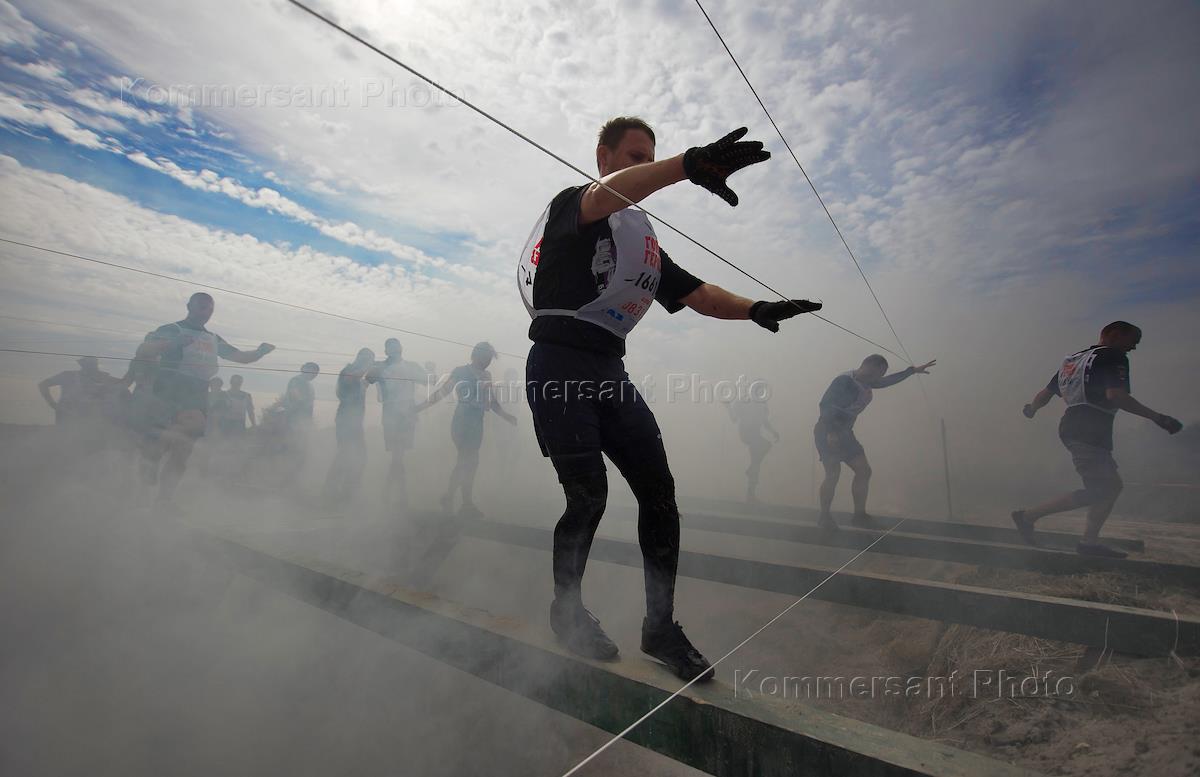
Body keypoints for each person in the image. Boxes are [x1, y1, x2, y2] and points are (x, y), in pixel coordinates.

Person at [517, 116, 821, 681]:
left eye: (649, 157)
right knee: (588, 497)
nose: (643, 165)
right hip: (558, 365)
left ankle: (660, 627)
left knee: (660, 495)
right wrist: (685, 165)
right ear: (603, 157)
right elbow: (609, 195)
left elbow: (698, 293)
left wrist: (756, 309)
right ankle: (567, 609)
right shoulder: (575, 204)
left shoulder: (642, 246)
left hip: (609, 370)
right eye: (635, 156)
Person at [1012, 321, 1182, 558]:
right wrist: (1158, 418)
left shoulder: (1074, 361)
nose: (1133, 347)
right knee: (1103, 488)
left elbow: (1045, 394)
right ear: (1115, 334)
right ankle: (1030, 517)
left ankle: (1087, 541)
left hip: (1076, 426)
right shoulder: (1114, 356)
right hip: (1088, 430)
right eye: (1133, 341)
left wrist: (1031, 409)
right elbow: (1116, 396)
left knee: (1109, 487)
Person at [134, 292, 274, 504]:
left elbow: (241, 357)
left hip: (198, 393)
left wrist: (260, 351)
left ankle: (163, 500)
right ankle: (145, 480)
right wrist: (170, 344)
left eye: (210, 309)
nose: (206, 312)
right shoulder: (173, 329)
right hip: (170, 390)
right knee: (166, 441)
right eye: (202, 307)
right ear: (189, 306)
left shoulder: (212, 338)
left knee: (183, 451)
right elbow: (143, 350)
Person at [814, 355, 935, 531]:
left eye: (881, 374)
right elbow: (826, 405)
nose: (879, 377)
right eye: (878, 372)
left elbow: (887, 381)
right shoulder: (844, 381)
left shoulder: (867, 381)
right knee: (833, 474)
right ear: (868, 366)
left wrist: (911, 371)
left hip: (846, 432)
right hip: (827, 429)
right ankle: (824, 517)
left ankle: (859, 516)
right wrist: (831, 433)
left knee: (864, 470)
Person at [416, 341, 516, 518]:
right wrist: (420, 407)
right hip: (462, 421)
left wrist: (505, 415)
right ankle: (464, 502)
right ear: (476, 355)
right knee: (467, 460)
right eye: (486, 357)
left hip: (477, 422)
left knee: (469, 462)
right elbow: (443, 392)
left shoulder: (486, 375)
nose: (488, 362)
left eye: (490, 359)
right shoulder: (461, 371)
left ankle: (453, 498)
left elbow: (491, 400)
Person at [367, 338, 427, 508]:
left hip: (407, 413)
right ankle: (398, 494)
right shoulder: (381, 367)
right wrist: (372, 367)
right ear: (386, 351)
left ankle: (391, 493)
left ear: (401, 348)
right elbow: (367, 379)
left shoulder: (411, 366)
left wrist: (430, 372)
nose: (394, 349)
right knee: (397, 455)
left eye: (396, 346)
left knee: (399, 455)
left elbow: (427, 380)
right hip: (391, 414)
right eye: (390, 347)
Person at [323, 348, 375, 504]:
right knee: (346, 455)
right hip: (346, 419)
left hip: (355, 421)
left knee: (358, 457)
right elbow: (350, 380)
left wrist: (371, 378)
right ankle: (332, 491)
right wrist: (368, 367)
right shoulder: (348, 370)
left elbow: (362, 385)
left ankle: (347, 491)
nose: (368, 361)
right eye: (366, 358)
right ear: (359, 358)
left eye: (370, 359)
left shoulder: (359, 375)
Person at [725, 382, 780, 503]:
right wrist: (728, 407)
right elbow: (734, 419)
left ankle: (751, 493)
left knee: (756, 463)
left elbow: (764, 421)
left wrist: (773, 432)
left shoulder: (762, 405)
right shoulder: (743, 402)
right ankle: (751, 478)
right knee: (764, 448)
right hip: (747, 434)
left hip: (756, 436)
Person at [38, 356, 120, 425]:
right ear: (83, 365)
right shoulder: (68, 375)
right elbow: (43, 384)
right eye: (89, 364)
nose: (92, 367)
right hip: (68, 415)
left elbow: (123, 383)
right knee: (66, 437)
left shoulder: (105, 378)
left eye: (94, 364)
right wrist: (52, 404)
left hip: (94, 417)